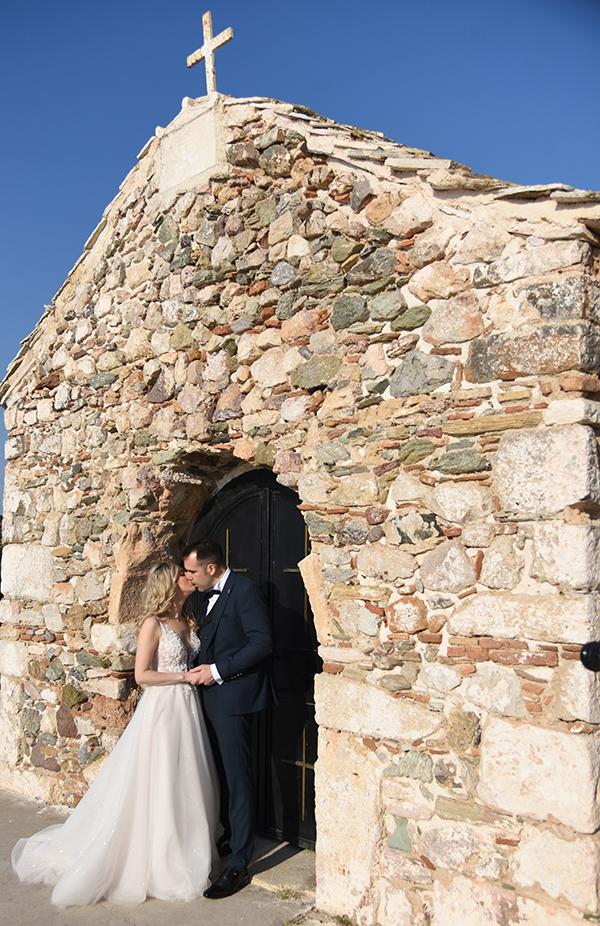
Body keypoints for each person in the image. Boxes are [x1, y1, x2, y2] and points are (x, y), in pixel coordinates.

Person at [12, 561, 219, 907]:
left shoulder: (187, 620)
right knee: (161, 778)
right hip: (164, 709)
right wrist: (184, 678)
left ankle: (185, 846)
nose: (189, 576)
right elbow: (141, 676)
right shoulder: (152, 624)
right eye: (183, 573)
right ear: (169, 583)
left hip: (188, 709)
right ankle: (159, 857)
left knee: (186, 777)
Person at [183, 537, 274, 900]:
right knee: (217, 773)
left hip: (234, 700)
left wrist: (218, 671)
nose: (188, 578)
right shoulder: (203, 594)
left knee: (238, 781)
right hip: (207, 700)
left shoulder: (245, 591)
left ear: (211, 567)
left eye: (192, 571)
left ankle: (238, 863)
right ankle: (229, 836)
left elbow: (262, 643)